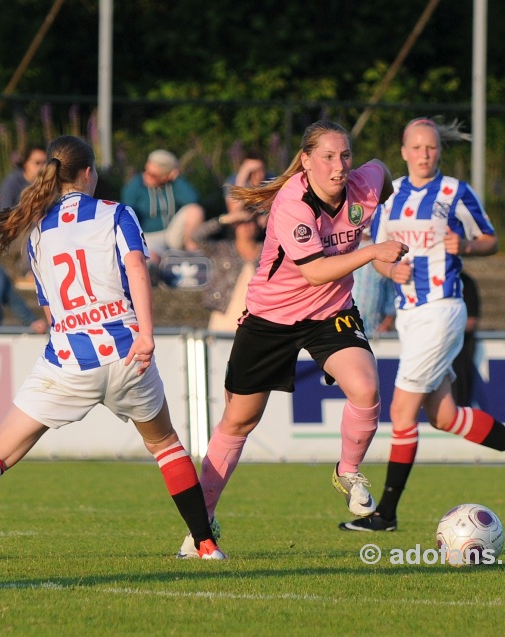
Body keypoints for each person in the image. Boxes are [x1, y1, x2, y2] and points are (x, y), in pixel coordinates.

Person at [0, 135, 224, 561]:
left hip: (69, 360)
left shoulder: (37, 229)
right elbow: (136, 267)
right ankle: (205, 544)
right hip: (127, 352)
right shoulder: (117, 213)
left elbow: (49, 307)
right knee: (166, 446)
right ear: (89, 173)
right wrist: (146, 333)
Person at [176, 120, 409, 558]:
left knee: (366, 386)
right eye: (327, 157)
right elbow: (315, 270)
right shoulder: (292, 203)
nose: (339, 167)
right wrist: (375, 250)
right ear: (305, 160)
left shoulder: (366, 181)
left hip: (330, 313)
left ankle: (349, 471)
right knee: (239, 422)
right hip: (271, 318)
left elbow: (382, 170)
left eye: (345, 156)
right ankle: (199, 527)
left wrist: (393, 212)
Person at [339, 117, 505, 534]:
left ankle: (385, 513)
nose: (424, 154)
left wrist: (469, 246)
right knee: (444, 416)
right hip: (410, 316)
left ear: (439, 151)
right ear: (403, 151)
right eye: (417, 147)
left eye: (431, 148)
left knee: (402, 411)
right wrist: (390, 272)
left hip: (442, 310)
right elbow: (379, 254)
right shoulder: (390, 196)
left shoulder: (456, 191)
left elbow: (491, 239)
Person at [120, 149, 205, 264]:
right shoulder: (135, 186)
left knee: (195, 211)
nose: (147, 176)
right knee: (149, 259)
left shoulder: (173, 185)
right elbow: (128, 215)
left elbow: (192, 199)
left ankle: (193, 257)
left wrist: (177, 179)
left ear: (166, 176)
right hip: (148, 237)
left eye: (153, 175)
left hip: (172, 234)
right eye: (146, 170)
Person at [192, 209, 264, 333]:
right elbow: (197, 237)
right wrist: (225, 219)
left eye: (250, 222)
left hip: (258, 317)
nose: (245, 226)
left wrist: (270, 220)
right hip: (224, 314)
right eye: (240, 222)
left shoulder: (267, 251)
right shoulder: (223, 249)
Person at [0, 144, 47, 289]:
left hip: (38, 230)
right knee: (33, 234)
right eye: (37, 163)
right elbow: (3, 217)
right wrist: (29, 216)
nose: (42, 167)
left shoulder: (47, 185)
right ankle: (27, 273)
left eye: (45, 163)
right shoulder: (11, 183)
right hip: (12, 233)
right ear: (25, 163)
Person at [351, 239, 396, 338]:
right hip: (346, 328)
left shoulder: (383, 248)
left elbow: (392, 291)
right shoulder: (346, 247)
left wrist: (387, 323)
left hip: (374, 332)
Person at [452, 270, 480, 406]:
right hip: (435, 348)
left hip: (460, 349)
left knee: (460, 402)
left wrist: (443, 330)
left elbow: (471, 321)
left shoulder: (465, 282)